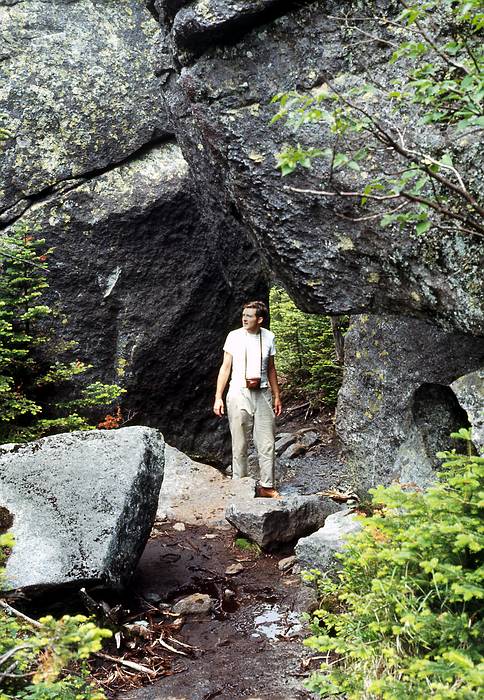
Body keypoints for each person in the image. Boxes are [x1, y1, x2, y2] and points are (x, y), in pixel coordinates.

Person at [213, 300, 282, 498]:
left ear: (259, 319)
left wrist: (277, 395)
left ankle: (267, 486)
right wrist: (218, 397)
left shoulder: (269, 337)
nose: (244, 318)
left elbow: (271, 368)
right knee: (240, 442)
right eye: (244, 314)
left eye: (249, 315)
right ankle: (239, 485)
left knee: (267, 442)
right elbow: (225, 367)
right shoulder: (233, 336)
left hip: (262, 393)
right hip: (238, 392)